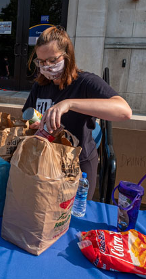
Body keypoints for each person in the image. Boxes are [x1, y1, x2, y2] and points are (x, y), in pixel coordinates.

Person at [23, 26, 131, 199]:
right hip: (46, 162)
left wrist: (70, 103)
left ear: (67, 56)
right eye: (41, 61)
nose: (47, 66)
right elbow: (27, 116)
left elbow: (124, 111)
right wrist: (34, 125)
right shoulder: (40, 86)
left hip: (77, 167)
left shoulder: (86, 82)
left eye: (52, 60)